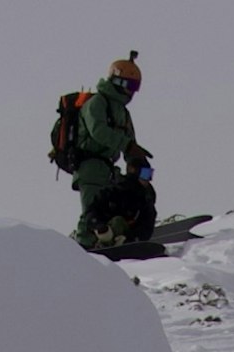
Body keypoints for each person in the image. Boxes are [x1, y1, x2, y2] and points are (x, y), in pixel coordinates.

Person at [48, 55, 161, 261]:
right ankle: (83, 248)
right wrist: (127, 145)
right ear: (119, 82)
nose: (132, 91)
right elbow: (97, 130)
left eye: (136, 86)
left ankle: (115, 235)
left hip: (108, 168)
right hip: (89, 164)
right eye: (131, 85)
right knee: (92, 209)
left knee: (116, 201)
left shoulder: (123, 113)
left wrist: (138, 167)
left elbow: (130, 144)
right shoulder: (98, 103)